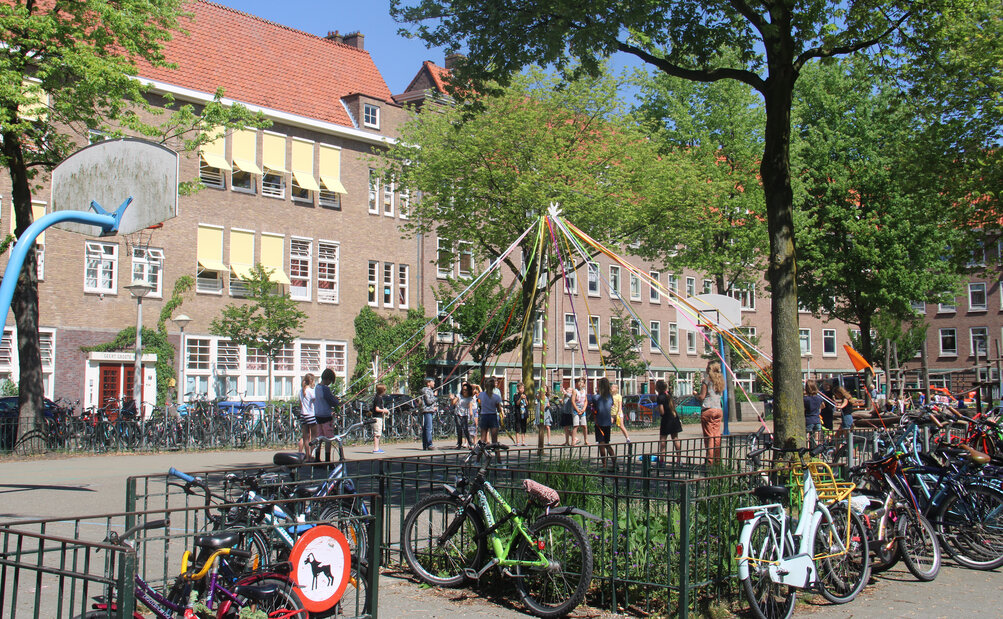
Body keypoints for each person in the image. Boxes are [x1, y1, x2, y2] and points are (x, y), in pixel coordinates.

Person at [698, 361, 725, 466]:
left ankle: (709, 461)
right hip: (718, 410)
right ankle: (718, 460)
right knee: (716, 435)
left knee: (709, 436)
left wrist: (696, 395)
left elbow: (702, 397)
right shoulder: (720, 381)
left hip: (708, 409)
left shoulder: (707, 381)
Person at [313, 368, 340, 461]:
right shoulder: (325, 388)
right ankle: (327, 460)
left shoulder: (317, 387)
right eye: (330, 381)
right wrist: (337, 401)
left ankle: (317, 458)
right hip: (326, 416)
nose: (330, 383)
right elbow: (331, 401)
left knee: (319, 437)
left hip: (318, 415)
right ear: (328, 379)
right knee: (329, 438)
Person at [656, 378, 682, 464]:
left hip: (666, 420)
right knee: (675, 438)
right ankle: (679, 459)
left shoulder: (660, 397)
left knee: (663, 439)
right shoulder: (668, 395)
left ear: (657, 388)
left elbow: (662, 411)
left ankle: (662, 460)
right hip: (674, 418)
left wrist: (658, 410)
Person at [477, 377, 503, 455]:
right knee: (495, 440)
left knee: (482, 440)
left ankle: (477, 460)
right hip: (492, 416)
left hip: (484, 416)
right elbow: (498, 409)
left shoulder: (481, 395)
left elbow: (479, 402)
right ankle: (498, 461)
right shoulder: (496, 397)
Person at [594, 377, 615, 469]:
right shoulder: (610, 397)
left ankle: (604, 465)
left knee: (601, 444)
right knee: (607, 443)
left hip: (599, 423)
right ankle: (614, 463)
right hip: (607, 423)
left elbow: (594, 406)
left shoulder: (597, 397)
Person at [298, 373, 317, 455]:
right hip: (311, 415)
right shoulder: (311, 391)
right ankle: (312, 454)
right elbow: (316, 401)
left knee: (305, 437)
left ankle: (307, 455)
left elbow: (300, 403)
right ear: (311, 381)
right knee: (314, 436)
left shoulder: (301, 391)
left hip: (303, 415)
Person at [454, 382, 475, 449]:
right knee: (459, 429)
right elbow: (453, 403)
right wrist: (452, 399)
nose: (464, 391)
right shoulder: (459, 396)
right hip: (458, 413)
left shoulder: (470, 398)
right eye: (463, 389)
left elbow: (470, 408)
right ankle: (459, 443)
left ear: (468, 391)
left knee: (466, 429)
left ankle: (470, 443)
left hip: (465, 414)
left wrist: (471, 415)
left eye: (466, 390)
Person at [803, 379, 824, 443]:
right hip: (817, 420)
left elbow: (803, 409)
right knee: (816, 439)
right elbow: (823, 406)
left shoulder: (805, 399)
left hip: (808, 420)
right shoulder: (819, 398)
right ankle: (817, 452)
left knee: (807, 439)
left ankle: (807, 451)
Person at [419, 377, 437, 450]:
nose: (434, 383)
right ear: (428, 383)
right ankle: (429, 444)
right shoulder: (426, 390)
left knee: (426, 428)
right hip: (427, 411)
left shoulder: (429, 390)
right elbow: (429, 401)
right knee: (428, 428)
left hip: (429, 410)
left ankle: (425, 445)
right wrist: (435, 396)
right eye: (433, 382)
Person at [370, 383, 388, 453]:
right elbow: (377, 409)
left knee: (378, 433)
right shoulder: (378, 398)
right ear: (383, 390)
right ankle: (376, 448)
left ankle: (377, 448)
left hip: (377, 417)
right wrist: (384, 410)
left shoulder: (377, 397)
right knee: (377, 434)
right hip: (377, 418)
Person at [573, 377, 590, 446]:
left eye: (582, 382)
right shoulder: (575, 391)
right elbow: (573, 401)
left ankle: (586, 440)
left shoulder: (584, 391)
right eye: (579, 382)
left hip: (582, 409)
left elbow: (586, 401)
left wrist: (584, 409)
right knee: (576, 425)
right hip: (576, 409)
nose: (581, 384)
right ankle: (573, 440)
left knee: (584, 425)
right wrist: (577, 410)